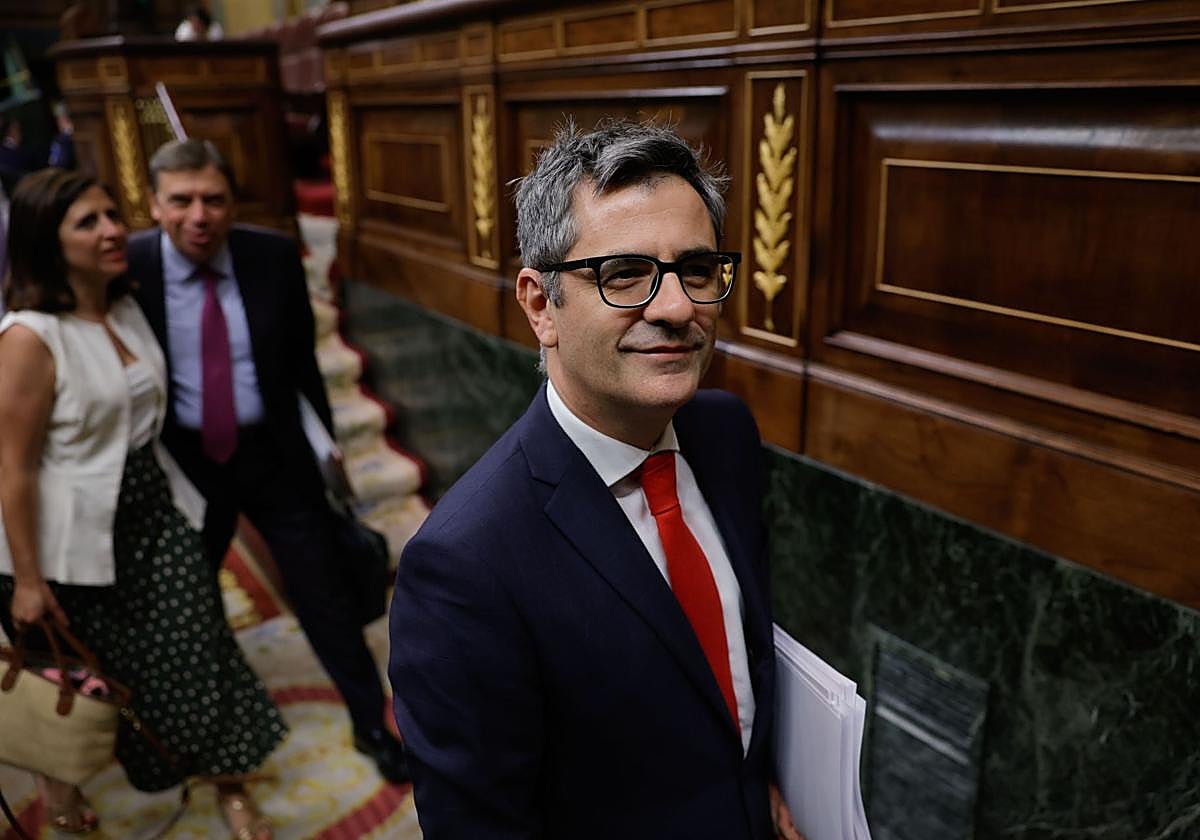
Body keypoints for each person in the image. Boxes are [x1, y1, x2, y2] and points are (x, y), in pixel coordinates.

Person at [388, 119, 802, 838]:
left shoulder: (725, 434)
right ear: (540, 305)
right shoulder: (463, 566)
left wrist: (760, 780)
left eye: (697, 270)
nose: (677, 309)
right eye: (623, 275)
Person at [0, 168, 283, 839]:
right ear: (47, 240)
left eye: (111, 216)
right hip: (66, 541)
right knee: (78, 677)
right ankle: (61, 793)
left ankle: (231, 785)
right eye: (88, 222)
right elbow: (11, 467)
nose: (112, 231)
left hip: (153, 513)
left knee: (203, 649)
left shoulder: (124, 304)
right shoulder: (29, 337)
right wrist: (30, 580)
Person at [126, 138, 408, 783]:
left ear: (231, 203)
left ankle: (370, 722)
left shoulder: (272, 256)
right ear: (154, 205)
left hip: (274, 455)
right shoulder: (132, 268)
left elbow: (305, 365)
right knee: (188, 601)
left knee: (325, 594)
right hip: (187, 464)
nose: (199, 215)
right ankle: (206, 736)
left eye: (213, 199)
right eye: (181, 201)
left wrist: (326, 452)